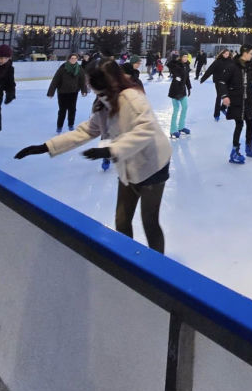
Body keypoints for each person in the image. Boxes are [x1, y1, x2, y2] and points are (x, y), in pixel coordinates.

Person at [15, 58, 172, 253]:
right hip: (128, 166)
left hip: (153, 165)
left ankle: (159, 269)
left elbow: (146, 129)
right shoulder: (104, 101)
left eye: (91, 80)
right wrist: (46, 147)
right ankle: (128, 260)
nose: (88, 84)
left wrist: (111, 150)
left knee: (149, 221)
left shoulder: (132, 98)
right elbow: (87, 130)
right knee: (122, 220)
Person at [219, 44, 252, 163]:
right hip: (236, 101)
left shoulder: (251, 66)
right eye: (251, 53)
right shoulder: (233, 66)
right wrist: (224, 96)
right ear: (244, 53)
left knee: (250, 122)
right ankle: (234, 151)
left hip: (248, 100)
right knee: (239, 124)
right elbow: (222, 81)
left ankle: (249, 147)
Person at [47, 52, 89, 133]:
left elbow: (82, 80)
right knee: (62, 110)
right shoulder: (63, 68)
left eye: (75, 58)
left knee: (72, 109)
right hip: (62, 92)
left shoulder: (79, 69)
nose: (73, 60)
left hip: (73, 92)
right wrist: (51, 92)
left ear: (77, 59)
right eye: (72, 58)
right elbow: (55, 80)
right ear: (69, 59)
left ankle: (71, 124)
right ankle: (59, 126)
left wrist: (84, 90)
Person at [0, 45, 16, 151]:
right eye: (0, 58)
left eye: (6, 58)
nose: (3, 60)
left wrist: (11, 92)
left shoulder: (9, 68)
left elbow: (10, 83)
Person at [200, 47, 234, 120]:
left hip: (227, 81)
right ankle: (216, 114)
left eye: (228, 54)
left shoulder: (231, 61)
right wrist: (203, 78)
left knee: (228, 96)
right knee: (219, 97)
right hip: (218, 81)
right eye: (225, 54)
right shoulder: (218, 61)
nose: (226, 55)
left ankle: (223, 108)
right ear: (222, 54)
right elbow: (210, 70)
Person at [167, 50, 191, 139]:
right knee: (176, 109)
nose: (185, 58)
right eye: (184, 56)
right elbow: (168, 64)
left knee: (185, 107)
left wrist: (189, 87)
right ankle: (173, 130)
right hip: (175, 90)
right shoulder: (176, 64)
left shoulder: (187, 65)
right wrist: (174, 59)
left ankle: (181, 127)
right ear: (181, 57)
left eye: (186, 56)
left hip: (182, 90)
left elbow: (187, 78)